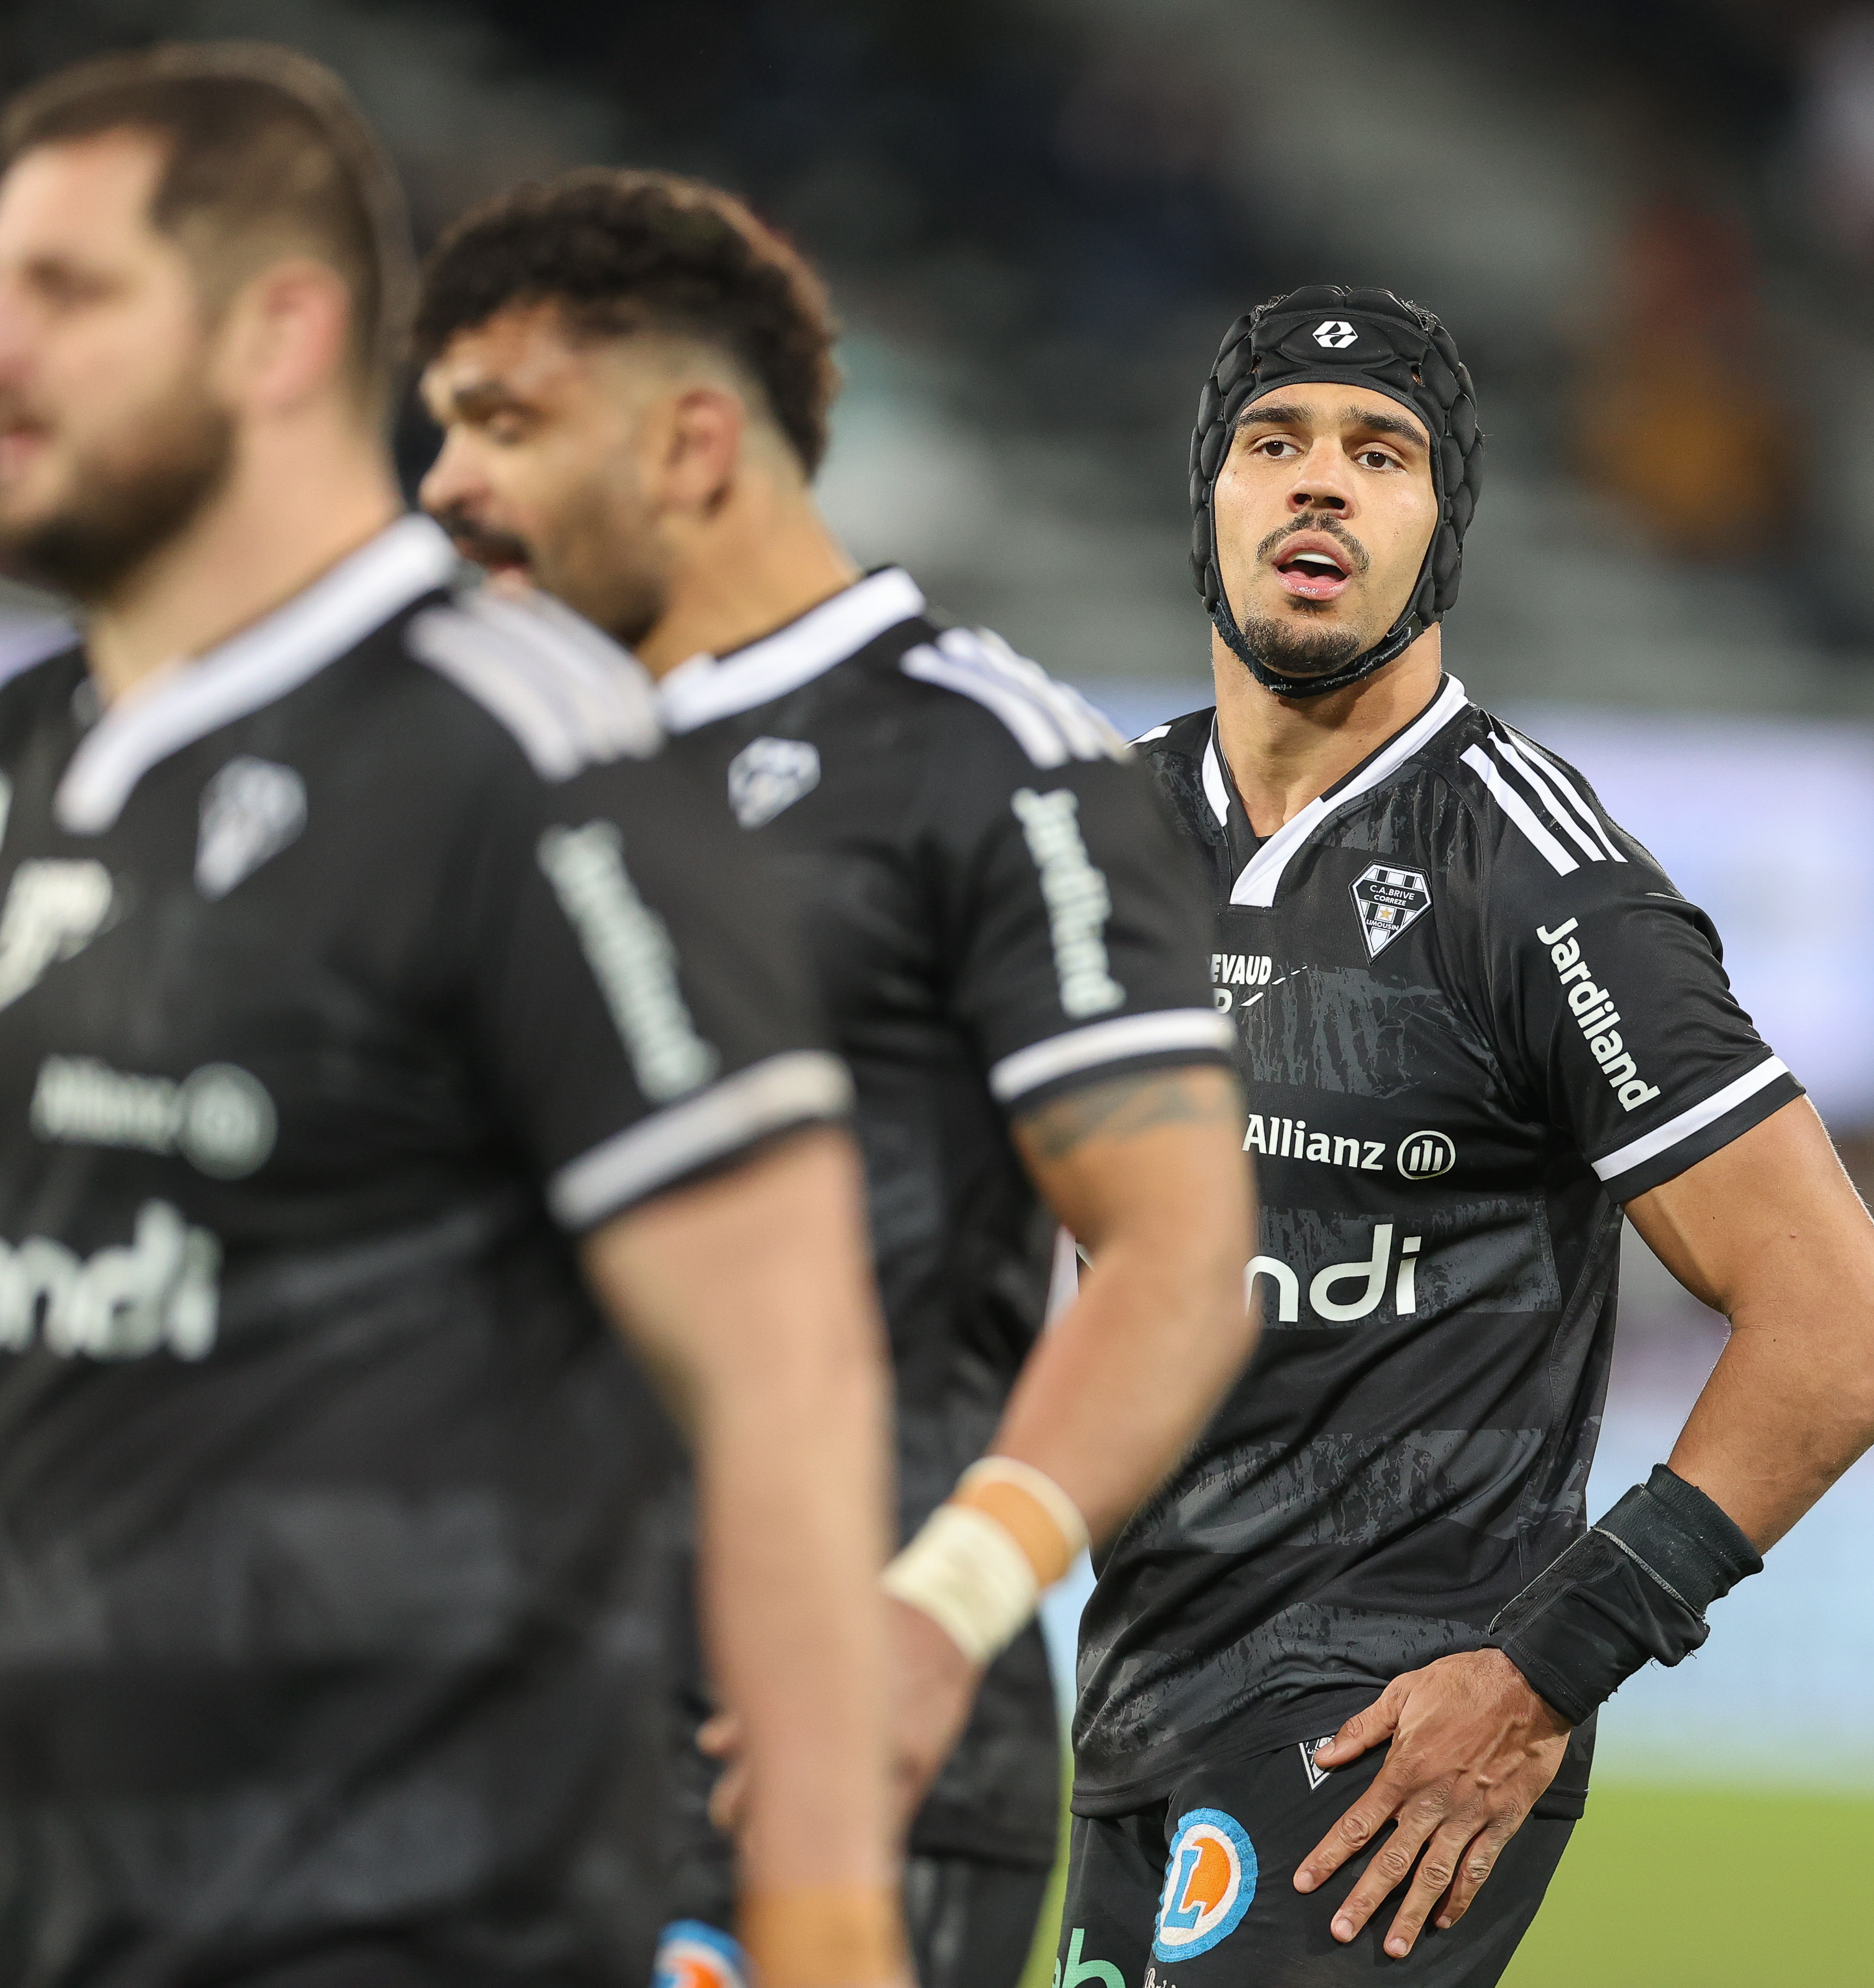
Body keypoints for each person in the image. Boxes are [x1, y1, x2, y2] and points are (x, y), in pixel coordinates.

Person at [0, 49, 906, 1988]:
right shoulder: (30, 754)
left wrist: (828, 1927)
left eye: (66, 293)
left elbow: (788, 1378)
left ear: (277, 334)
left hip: (385, 1922)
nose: (6, 349)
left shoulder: (527, 763)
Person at [409, 171, 1259, 1988]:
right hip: (473, 1743)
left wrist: (941, 1616)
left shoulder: (988, 760)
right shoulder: (486, 770)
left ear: (694, 441)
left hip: (801, 1752)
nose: (445, 485)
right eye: (442, 427)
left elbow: (1183, 1253)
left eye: (505, 423)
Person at [1058, 286, 1874, 1987]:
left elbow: (1842, 1333)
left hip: (1387, 1730)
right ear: (1209, 499)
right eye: (1272, 442)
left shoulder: (1537, 879)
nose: (1320, 481)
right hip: (1135, 1700)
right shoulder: (1094, 836)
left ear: (1441, 528)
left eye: (1379, 453)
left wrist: (1543, 1674)